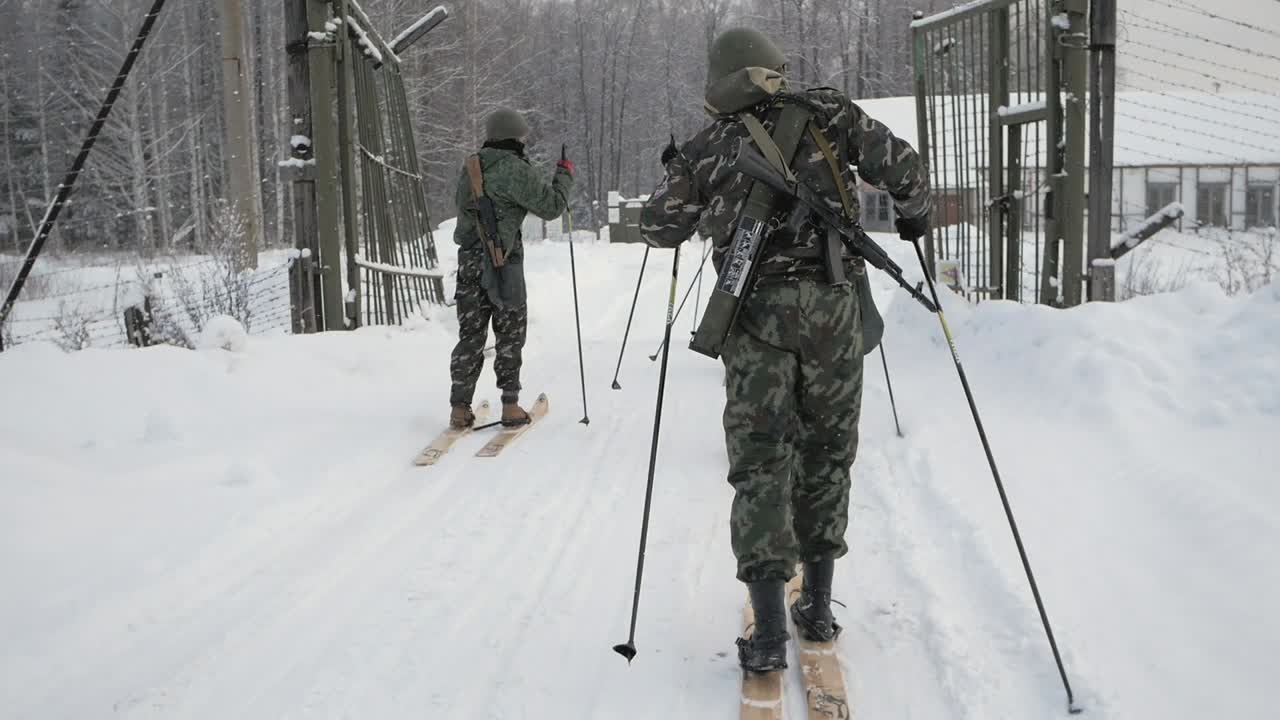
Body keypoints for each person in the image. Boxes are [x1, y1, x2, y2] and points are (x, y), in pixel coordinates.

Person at [639, 28, 932, 672]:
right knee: (828, 452)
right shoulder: (829, 113)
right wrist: (914, 215)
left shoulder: (708, 146)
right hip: (834, 308)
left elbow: (657, 228)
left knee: (761, 463)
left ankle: (769, 631)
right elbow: (906, 171)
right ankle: (818, 606)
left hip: (755, 318)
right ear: (774, 69)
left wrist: (676, 171)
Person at [448, 108, 574, 429]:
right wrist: (564, 175)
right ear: (513, 136)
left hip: (469, 261)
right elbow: (551, 207)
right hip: (504, 263)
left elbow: (461, 204)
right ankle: (510, 405)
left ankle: (459, 408)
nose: (524, 141)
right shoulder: (515, 168)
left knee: (470, 335)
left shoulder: (471, 165)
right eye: (522, 136)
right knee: (510, 333)